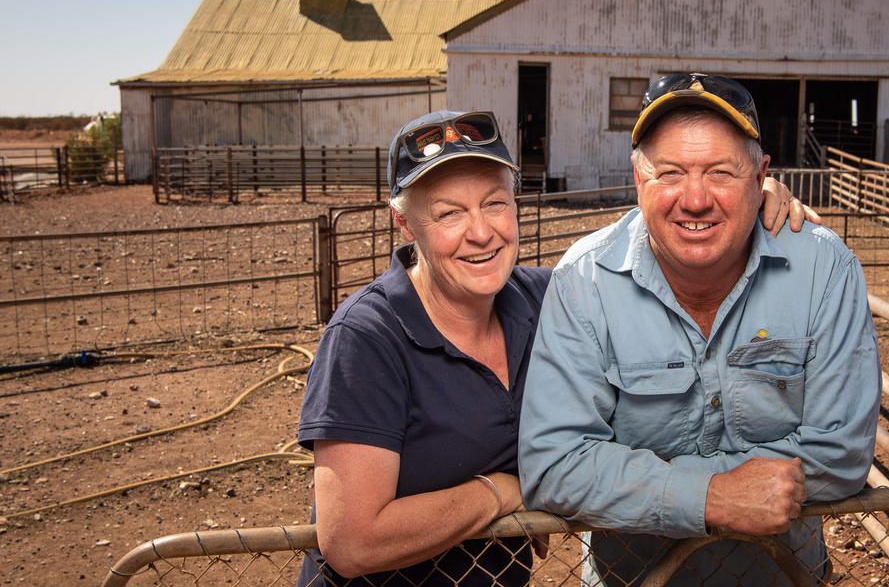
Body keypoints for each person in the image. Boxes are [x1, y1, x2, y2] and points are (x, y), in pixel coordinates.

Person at [296, 108, 816, 585]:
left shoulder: (548, 298)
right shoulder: (369, 339)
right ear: (404, 223)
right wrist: (503, 491)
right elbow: (352, 542)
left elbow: (646, 245)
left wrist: (744, 195)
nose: (481, 233)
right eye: (449, 214)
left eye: (495, 204)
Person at [518, 74, 882, 585]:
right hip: (633, 578)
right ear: (637, 179)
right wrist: (714, 497)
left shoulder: (825, 269)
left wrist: (644, 483)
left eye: (720, 173)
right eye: (669, 173)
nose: (694, 199)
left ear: (761, 179)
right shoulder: (585, 280)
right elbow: (555, 463)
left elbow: (841, 453)